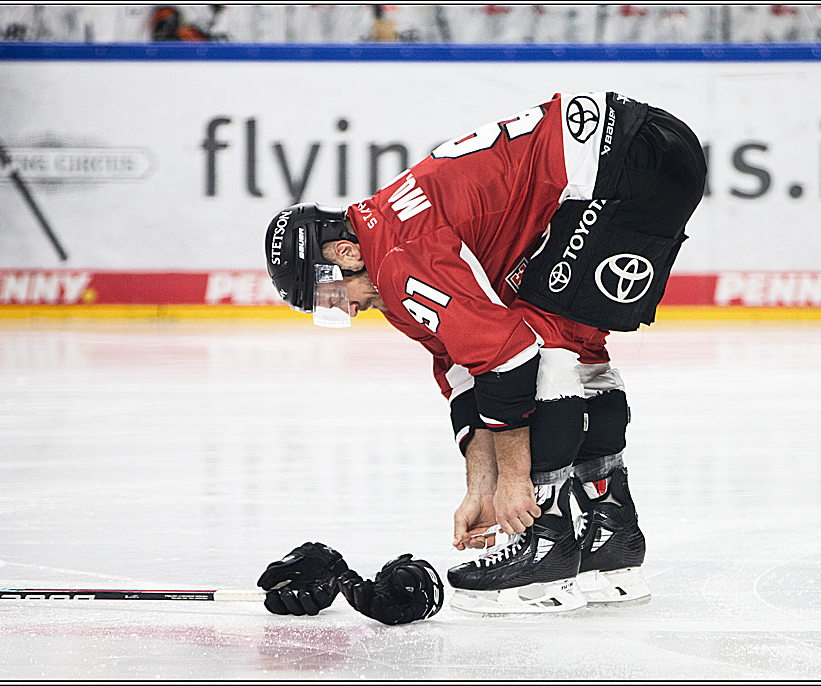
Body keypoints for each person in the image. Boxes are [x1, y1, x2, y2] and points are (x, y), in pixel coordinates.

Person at [264, 90, 706, 615]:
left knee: (546, 342)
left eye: (332, 297)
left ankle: (543, 540)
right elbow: (463, 371)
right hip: (651, 151)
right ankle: (612, 538)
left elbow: (509, 358)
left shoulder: (398, 260)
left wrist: (516, 482)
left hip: (621, 163)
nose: (346, 310)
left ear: (344, 253)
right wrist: (481, 486)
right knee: (581, 348)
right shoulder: (386, 256)